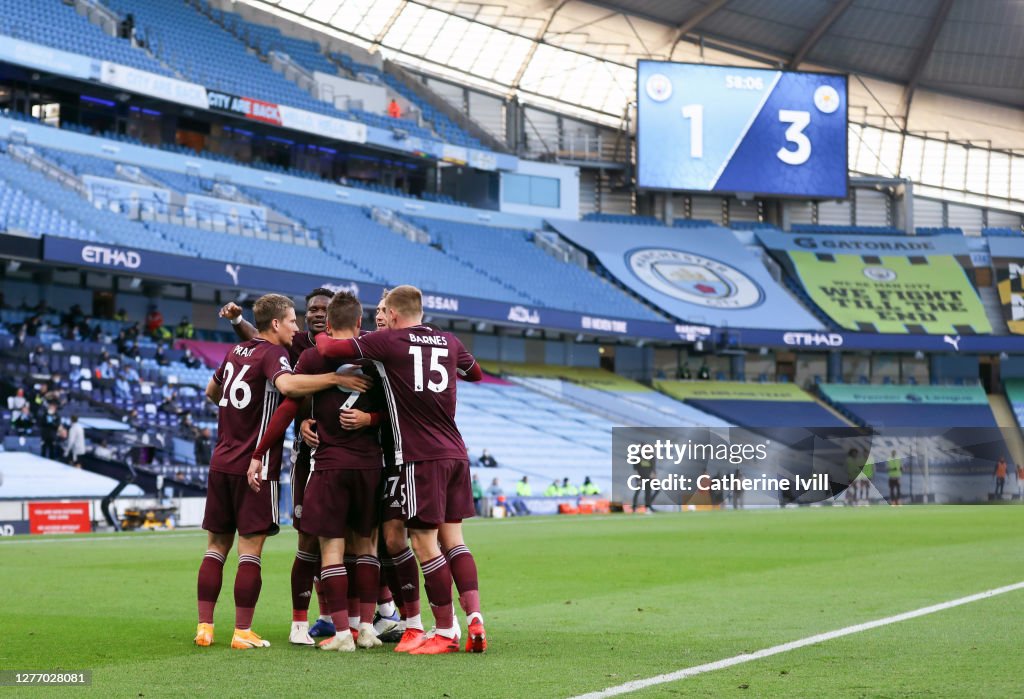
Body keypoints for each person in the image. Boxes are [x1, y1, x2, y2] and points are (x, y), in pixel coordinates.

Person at [315, 285, 486, 655]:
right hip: (455, 452)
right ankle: (473, 618)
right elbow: (475, 374)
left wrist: (320, 327)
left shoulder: (387, 343)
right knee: (451, 540)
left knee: (423, 543)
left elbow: (329, 348)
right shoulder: (449, 340)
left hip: (417, 455)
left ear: (392, 314)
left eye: (382, 311)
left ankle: (444, 631)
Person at [193, 293, 358, 651]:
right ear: (276, 324)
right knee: (250, 552)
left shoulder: (235, 352)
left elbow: (211, 391)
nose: (297, 326)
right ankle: (242, 631)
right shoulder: (274, 354)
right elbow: (286, 386)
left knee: (215, 548)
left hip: (220, 460)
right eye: (293, 321)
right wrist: (332, 379)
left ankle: (204, 627)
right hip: (255, 465)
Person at [248, 291, 386, 651]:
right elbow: (403, 411)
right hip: (370, 465)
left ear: (329, 321)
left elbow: (286, 407)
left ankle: (342, 633)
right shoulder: (376, 354)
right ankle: (366, 628)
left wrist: (260, 450)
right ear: (359, 322)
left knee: (330, 550)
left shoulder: (311, 356)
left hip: (328, 466)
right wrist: (370, 418)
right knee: (367, 547)